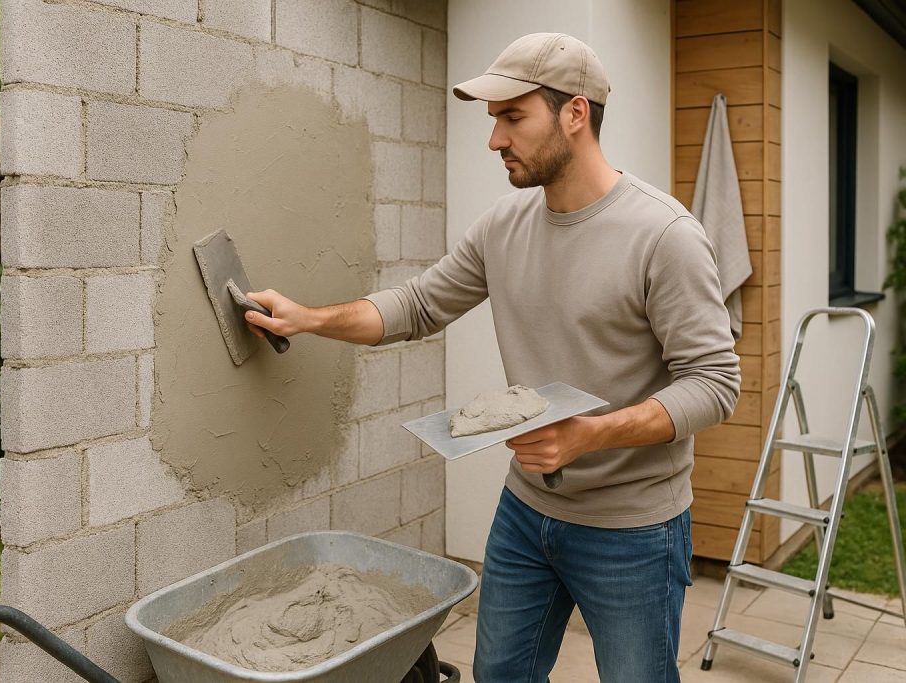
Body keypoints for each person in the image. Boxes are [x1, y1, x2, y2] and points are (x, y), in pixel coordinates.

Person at [243, 33, 740, 683]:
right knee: (499, 674)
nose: (495, 139)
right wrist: (308, 317)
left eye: (512, 117)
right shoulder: (503, 227)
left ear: (575, 113)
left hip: (634, 529)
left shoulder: (664, 235)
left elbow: (714, 382)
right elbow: (418, 304)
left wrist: (589, 435)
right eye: (494, 120)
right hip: (526, 514)